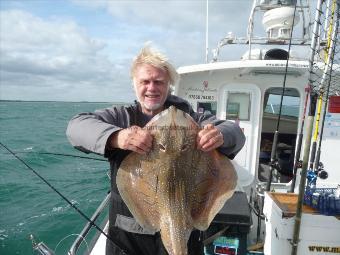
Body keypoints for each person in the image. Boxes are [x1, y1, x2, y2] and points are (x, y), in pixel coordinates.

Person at [66, 45, 245, 255]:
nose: (152, 87)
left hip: (186, 227)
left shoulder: (193, 118)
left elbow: (235, 132)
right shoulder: (122, 117)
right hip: (128, 238)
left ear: (169, 85)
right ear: (135, 84)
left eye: (159, 81)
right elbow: (76, 126)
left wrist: (219, 135)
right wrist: (117, 137)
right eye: (145, 81)